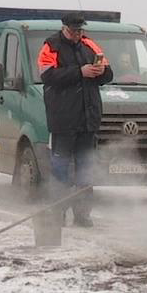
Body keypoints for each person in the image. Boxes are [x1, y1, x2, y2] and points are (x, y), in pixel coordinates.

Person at [37, 13, 114, 226]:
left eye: (80, 30)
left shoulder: (90, 45)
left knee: (86, 168)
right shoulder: (51, 46)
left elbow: (109, 75)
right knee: (60, 168)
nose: (78, 34)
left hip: (88, 119)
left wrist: (101, 71)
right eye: (74, 30)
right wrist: (79, 72)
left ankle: (82, 214)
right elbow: (47, 76)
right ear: (64, 28)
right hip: (63, 118)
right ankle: (57, 213)